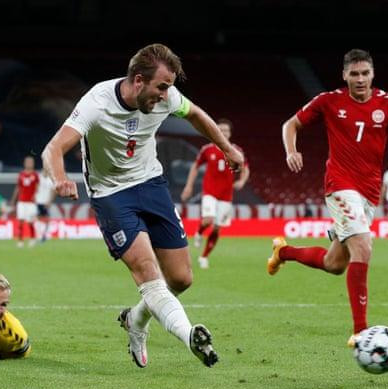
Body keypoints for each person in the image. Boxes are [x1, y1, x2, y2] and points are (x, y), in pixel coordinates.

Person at [41, 43, 244, 368]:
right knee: (148, 271)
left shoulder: (167, 97)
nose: (166, 95)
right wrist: (59, 178)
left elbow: (195, 114)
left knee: (180, 279)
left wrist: (227, 148)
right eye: (161, 87)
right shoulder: (97, 102)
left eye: (169, 87)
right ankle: (190, 335)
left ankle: (135, 320)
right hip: (110, 194)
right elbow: (52, 149)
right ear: (138, 81)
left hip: (151, 184)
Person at [270, 49, 388, 346]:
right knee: (363, 246)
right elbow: (290, 125)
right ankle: (361, 332)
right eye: (354, 74)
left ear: (373, 74)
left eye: (365, 73)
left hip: (370, 193)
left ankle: (283, 252)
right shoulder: (329, 101)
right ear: (344, 75)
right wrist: (291, 151)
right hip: (340, 185)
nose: (360, 79)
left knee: (334, 264)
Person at [180, 118, 249, 269]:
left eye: (226, 130)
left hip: (226, 195)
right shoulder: (207, 149)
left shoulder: (236, 151)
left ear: (230, 133)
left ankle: (204, 257)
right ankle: (199, 232)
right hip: (209, 192)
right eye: (220, 130)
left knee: (217, 228)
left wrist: (242, 181)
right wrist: (189, 186)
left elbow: (245, 168)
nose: (223, 133)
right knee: (208, 220)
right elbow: (195, 166)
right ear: (215, 131)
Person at [10, 156, 39, 247]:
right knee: (21, 221)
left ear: (33, 164)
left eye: (31, 162)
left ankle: (32, 239)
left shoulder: (35, 175)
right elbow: (18, 187)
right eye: (27, 162)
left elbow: (38, 187)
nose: (29, 163)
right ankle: (20, 241)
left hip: (31, 203)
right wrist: (13, 200)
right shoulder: (21, 175)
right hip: (22, 202)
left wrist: (36, 196)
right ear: (24, 163)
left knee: (30, 221)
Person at [34, 169, 55, 242]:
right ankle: (39, 235)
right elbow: (35, 188)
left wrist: (49, 201)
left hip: (46, 202)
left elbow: (53, 191)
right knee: (38, 218)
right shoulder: (39, 178)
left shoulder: (50, 179)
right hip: (38, 201)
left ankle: (45, 235)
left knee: (47, 219)